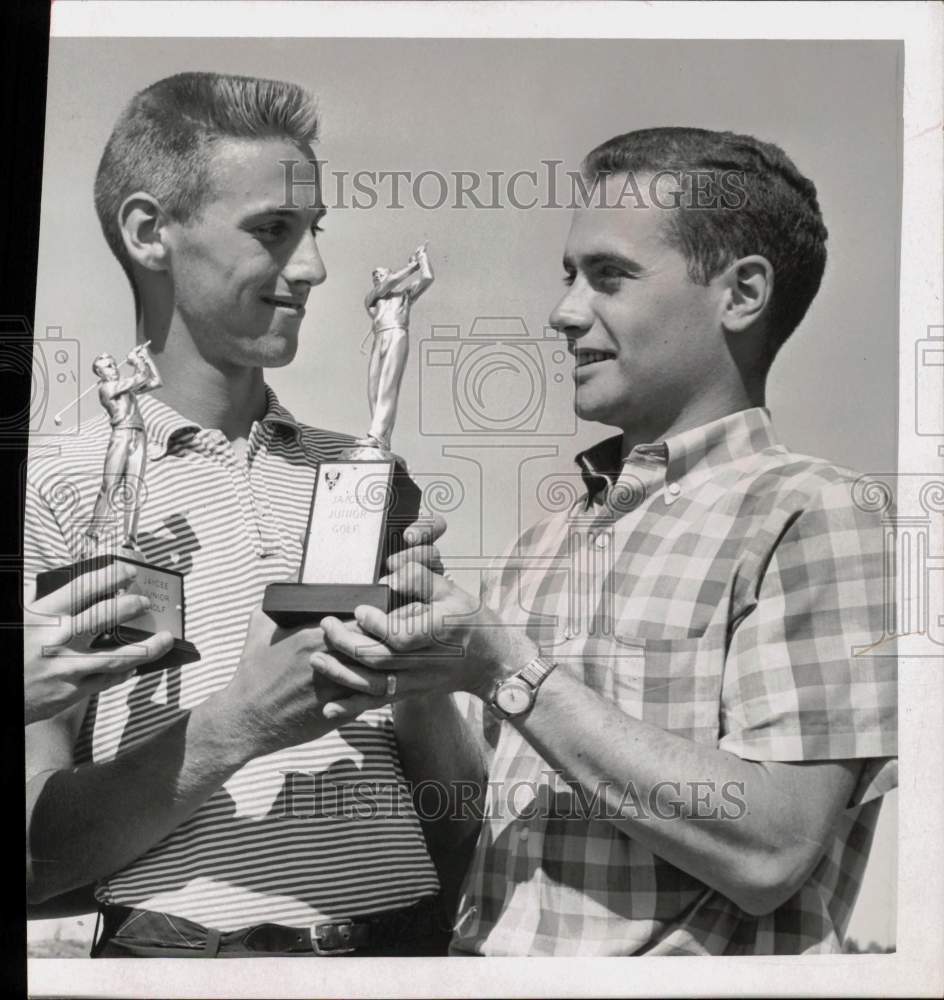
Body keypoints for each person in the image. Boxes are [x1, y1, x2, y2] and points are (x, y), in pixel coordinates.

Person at [310, 127, 898, 955]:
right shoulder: (541, 544)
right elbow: (473, 828)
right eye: (567, 276)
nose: (564, 312)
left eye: (609, 277)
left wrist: (508, 667)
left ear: (742, 293)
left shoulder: (815, 515)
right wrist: (423, 676)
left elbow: (772, 847)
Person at [25, 72, 449, 957]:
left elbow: (448, 789)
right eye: (272, 231)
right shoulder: (57, 485)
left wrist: (436, 675)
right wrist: (243, 721)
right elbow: (32, 853)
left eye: (314, 231)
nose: (315, 268)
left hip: (405, 953)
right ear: (150, 233)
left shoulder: (365, 474)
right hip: (183, 960)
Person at [84, 343, 163, 552]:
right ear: (100, 374)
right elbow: (140, 377)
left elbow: (155, 381)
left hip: (139, 435)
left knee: (134, 489)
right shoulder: (107, 388)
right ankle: (92, 537)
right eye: (108, 366)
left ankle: (130, 541)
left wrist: (145, 358)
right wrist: (137, 362)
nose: (114, 368)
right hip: (121, 435)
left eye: (113, 364)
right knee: (110, 486)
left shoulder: (126, 388)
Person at [359, 243, 434, 453]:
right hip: (379, 338)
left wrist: (422, 258)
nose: (376, 276)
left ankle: (375, 434)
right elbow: (388, 283)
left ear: (391, 273)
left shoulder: (405, 294)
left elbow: (428, 278)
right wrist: (411, 267)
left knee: (387, 385)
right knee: (373, 388)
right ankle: (382, 438)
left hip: (397, 334)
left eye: (380, 273)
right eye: (374, 275)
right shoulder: (372, 297)